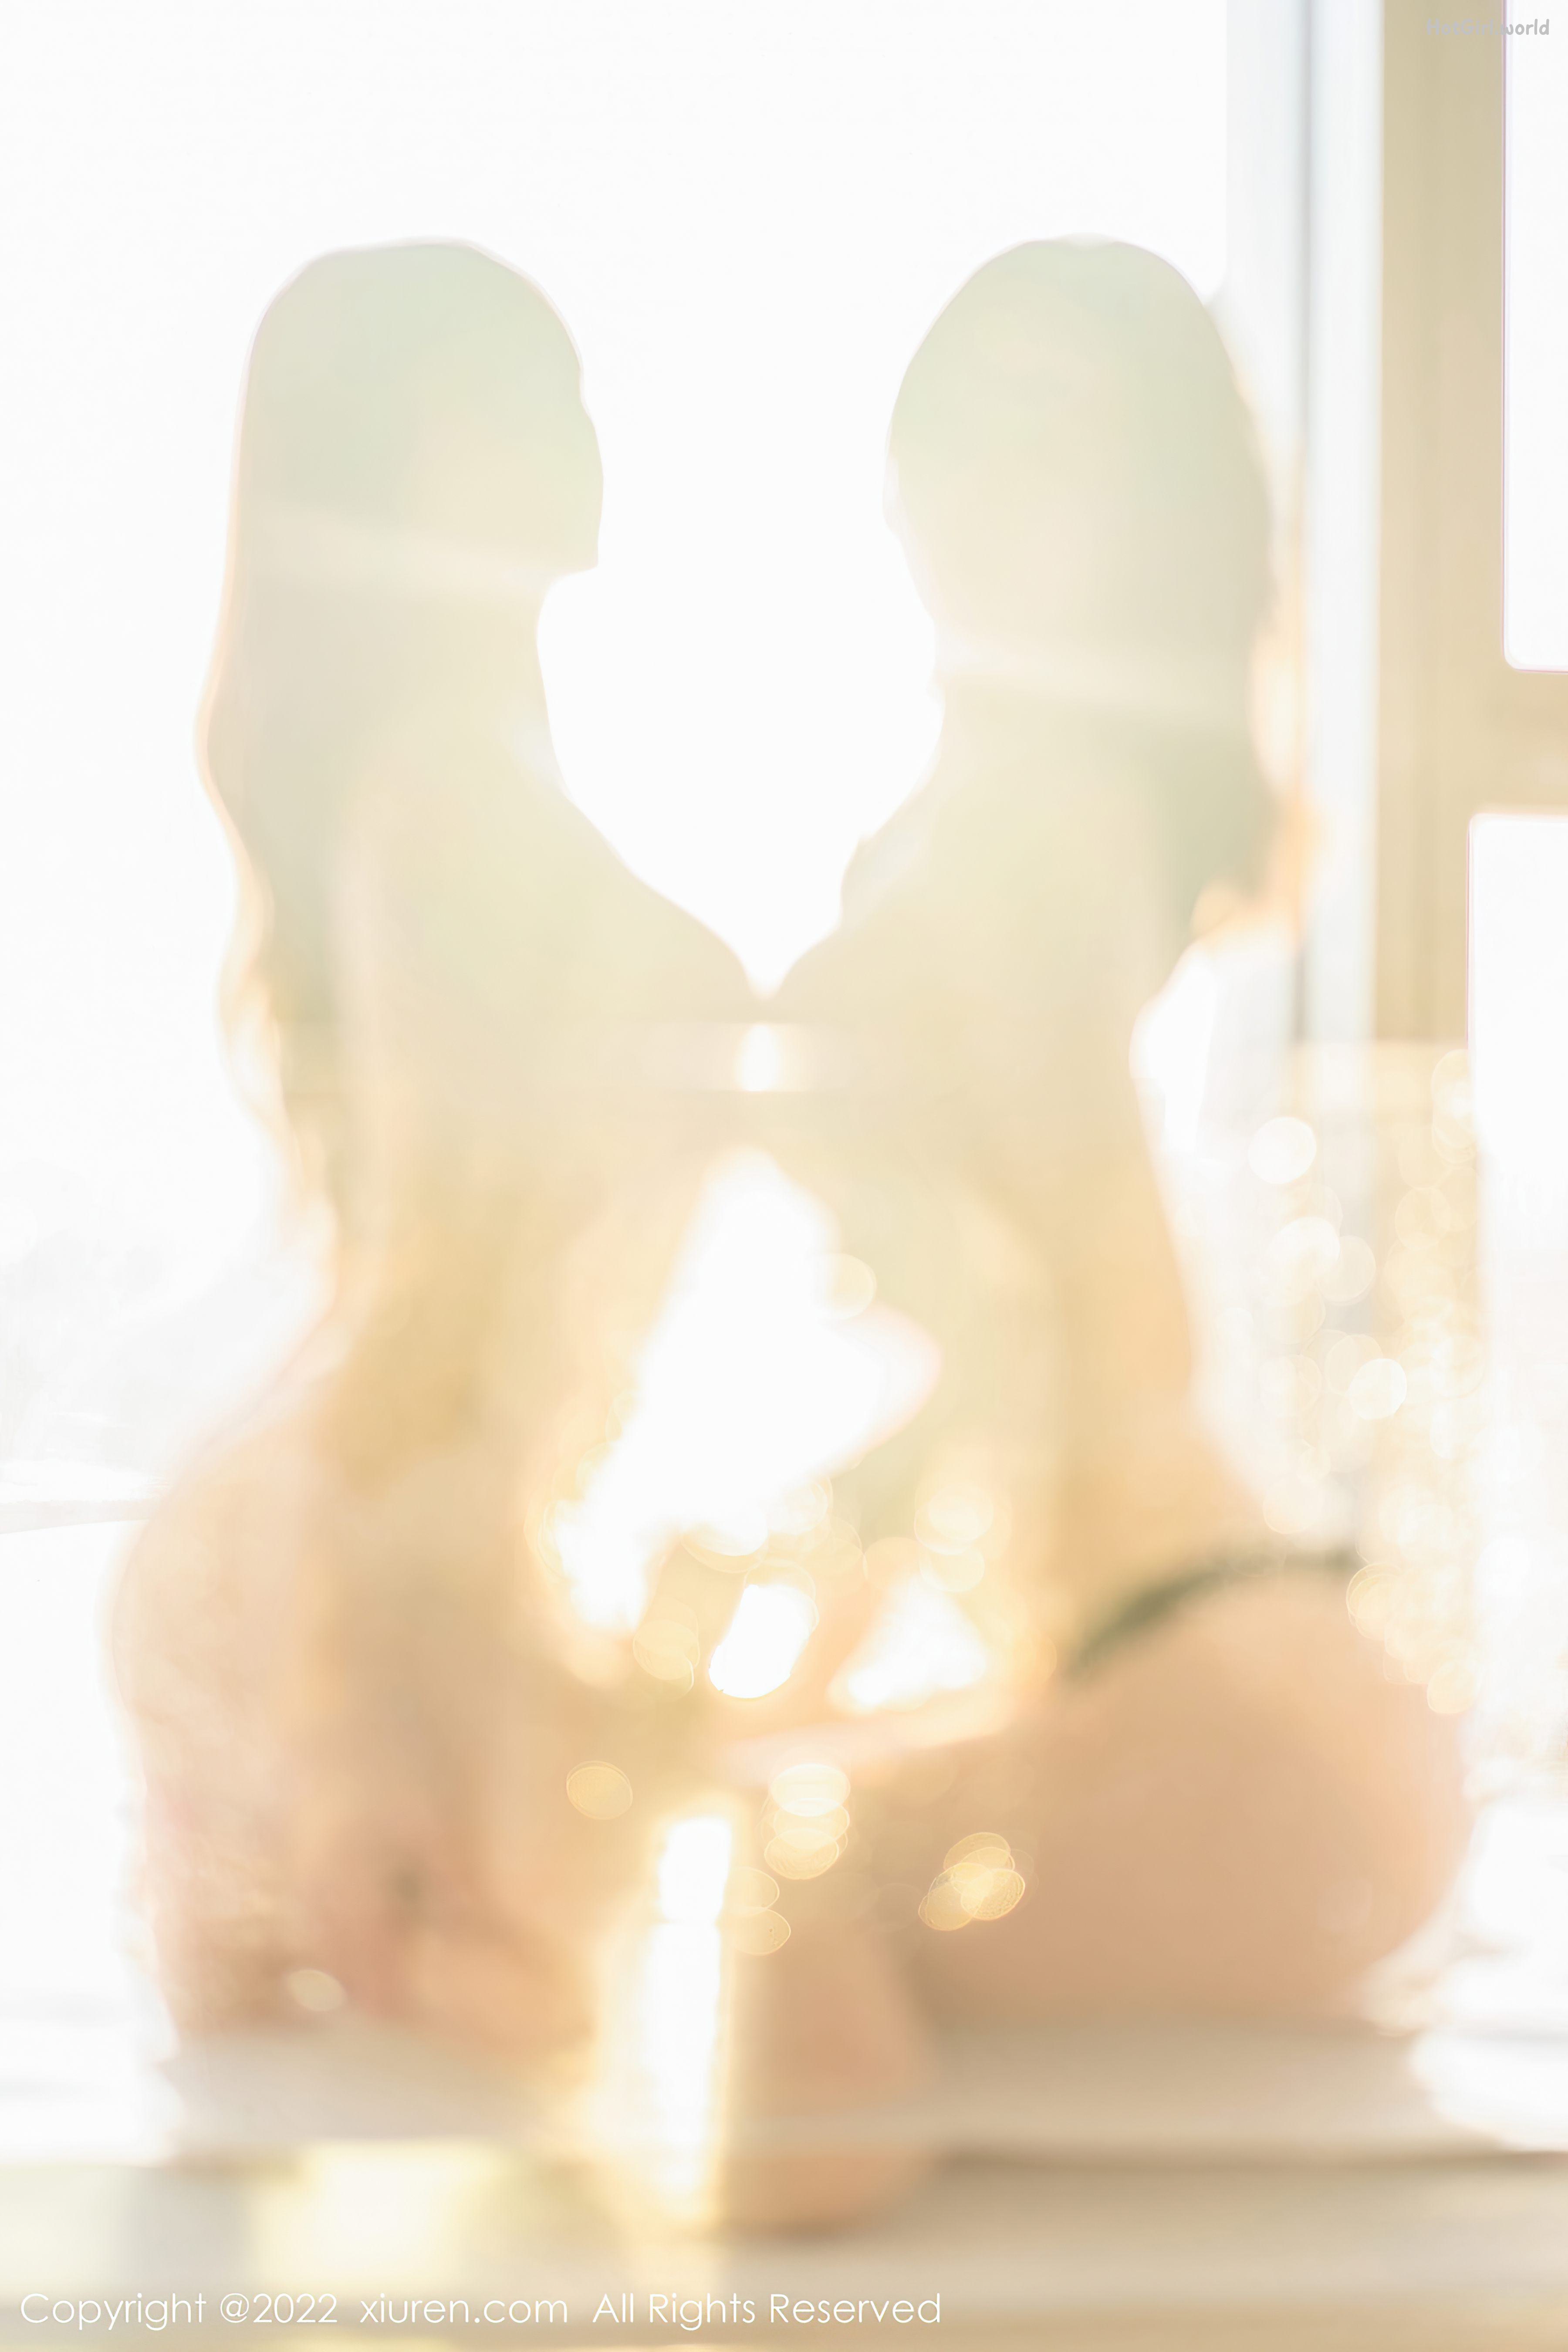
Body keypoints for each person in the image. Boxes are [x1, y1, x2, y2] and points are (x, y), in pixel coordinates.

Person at [765, 240, 1469, 2021]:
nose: (984, 479)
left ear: (1144, 511)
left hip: (1207, 1706)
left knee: (695, 1938)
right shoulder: (987, 818)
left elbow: (1104, 1330)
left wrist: (827, 1568)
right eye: (961, 419)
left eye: (1054, 434)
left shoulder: (1047, 819)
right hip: (1196, 1678)